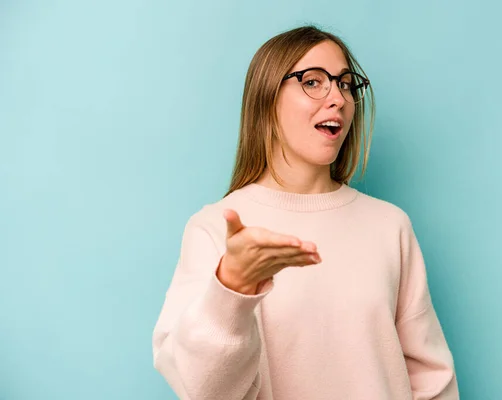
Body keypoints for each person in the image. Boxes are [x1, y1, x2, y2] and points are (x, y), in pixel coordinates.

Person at [152, 25, 459, 400]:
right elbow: (201, 390)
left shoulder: (389, 226)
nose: (338, 98)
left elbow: (431, 381)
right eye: (313, 82)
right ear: (267, 97)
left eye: (346, 84)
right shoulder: (214, 229)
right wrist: (231, 288)